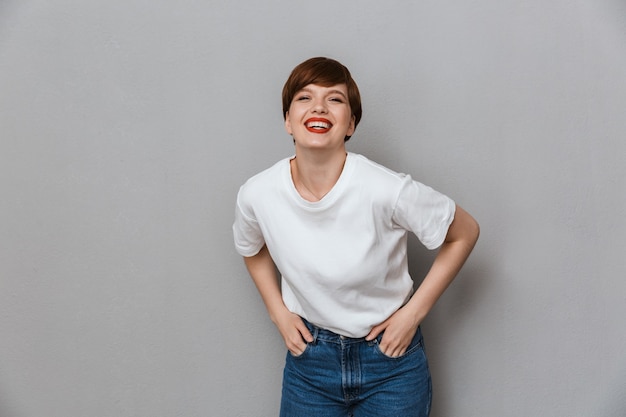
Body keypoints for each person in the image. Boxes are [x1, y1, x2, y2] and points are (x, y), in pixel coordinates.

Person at [232, 57, 479, 417]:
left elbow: (464, 232)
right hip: (310, 365)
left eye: (335, 99)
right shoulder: (257, 193)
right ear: (287, 120)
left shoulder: (385, 189)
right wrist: (277, 312)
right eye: (304, 98)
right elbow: (250, 249)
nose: (319, 106)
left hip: (390, 364)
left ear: (350, 124)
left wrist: (412, 315)